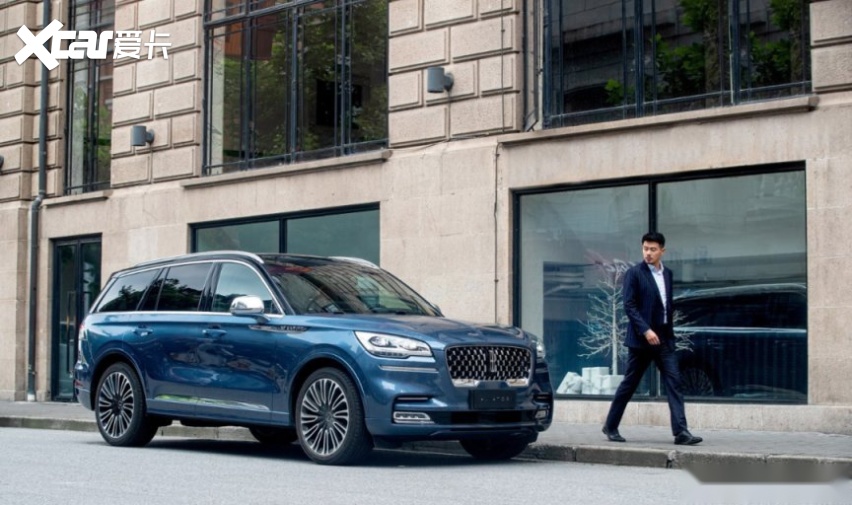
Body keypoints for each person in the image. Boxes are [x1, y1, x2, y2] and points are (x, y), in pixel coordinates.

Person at [601, 232, 702, 445]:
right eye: (645, 248)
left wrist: (667, 332)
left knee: (674, 382)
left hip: (664, 339)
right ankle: (610, 425)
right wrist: (646, 330)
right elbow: (629, 305)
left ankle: (681, 432)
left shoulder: (668, 274)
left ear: (662, 251)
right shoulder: (634, 274)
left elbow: (666, 305)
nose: (648, 253)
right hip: (641, 341)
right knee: (630, 384)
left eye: (653, 249)